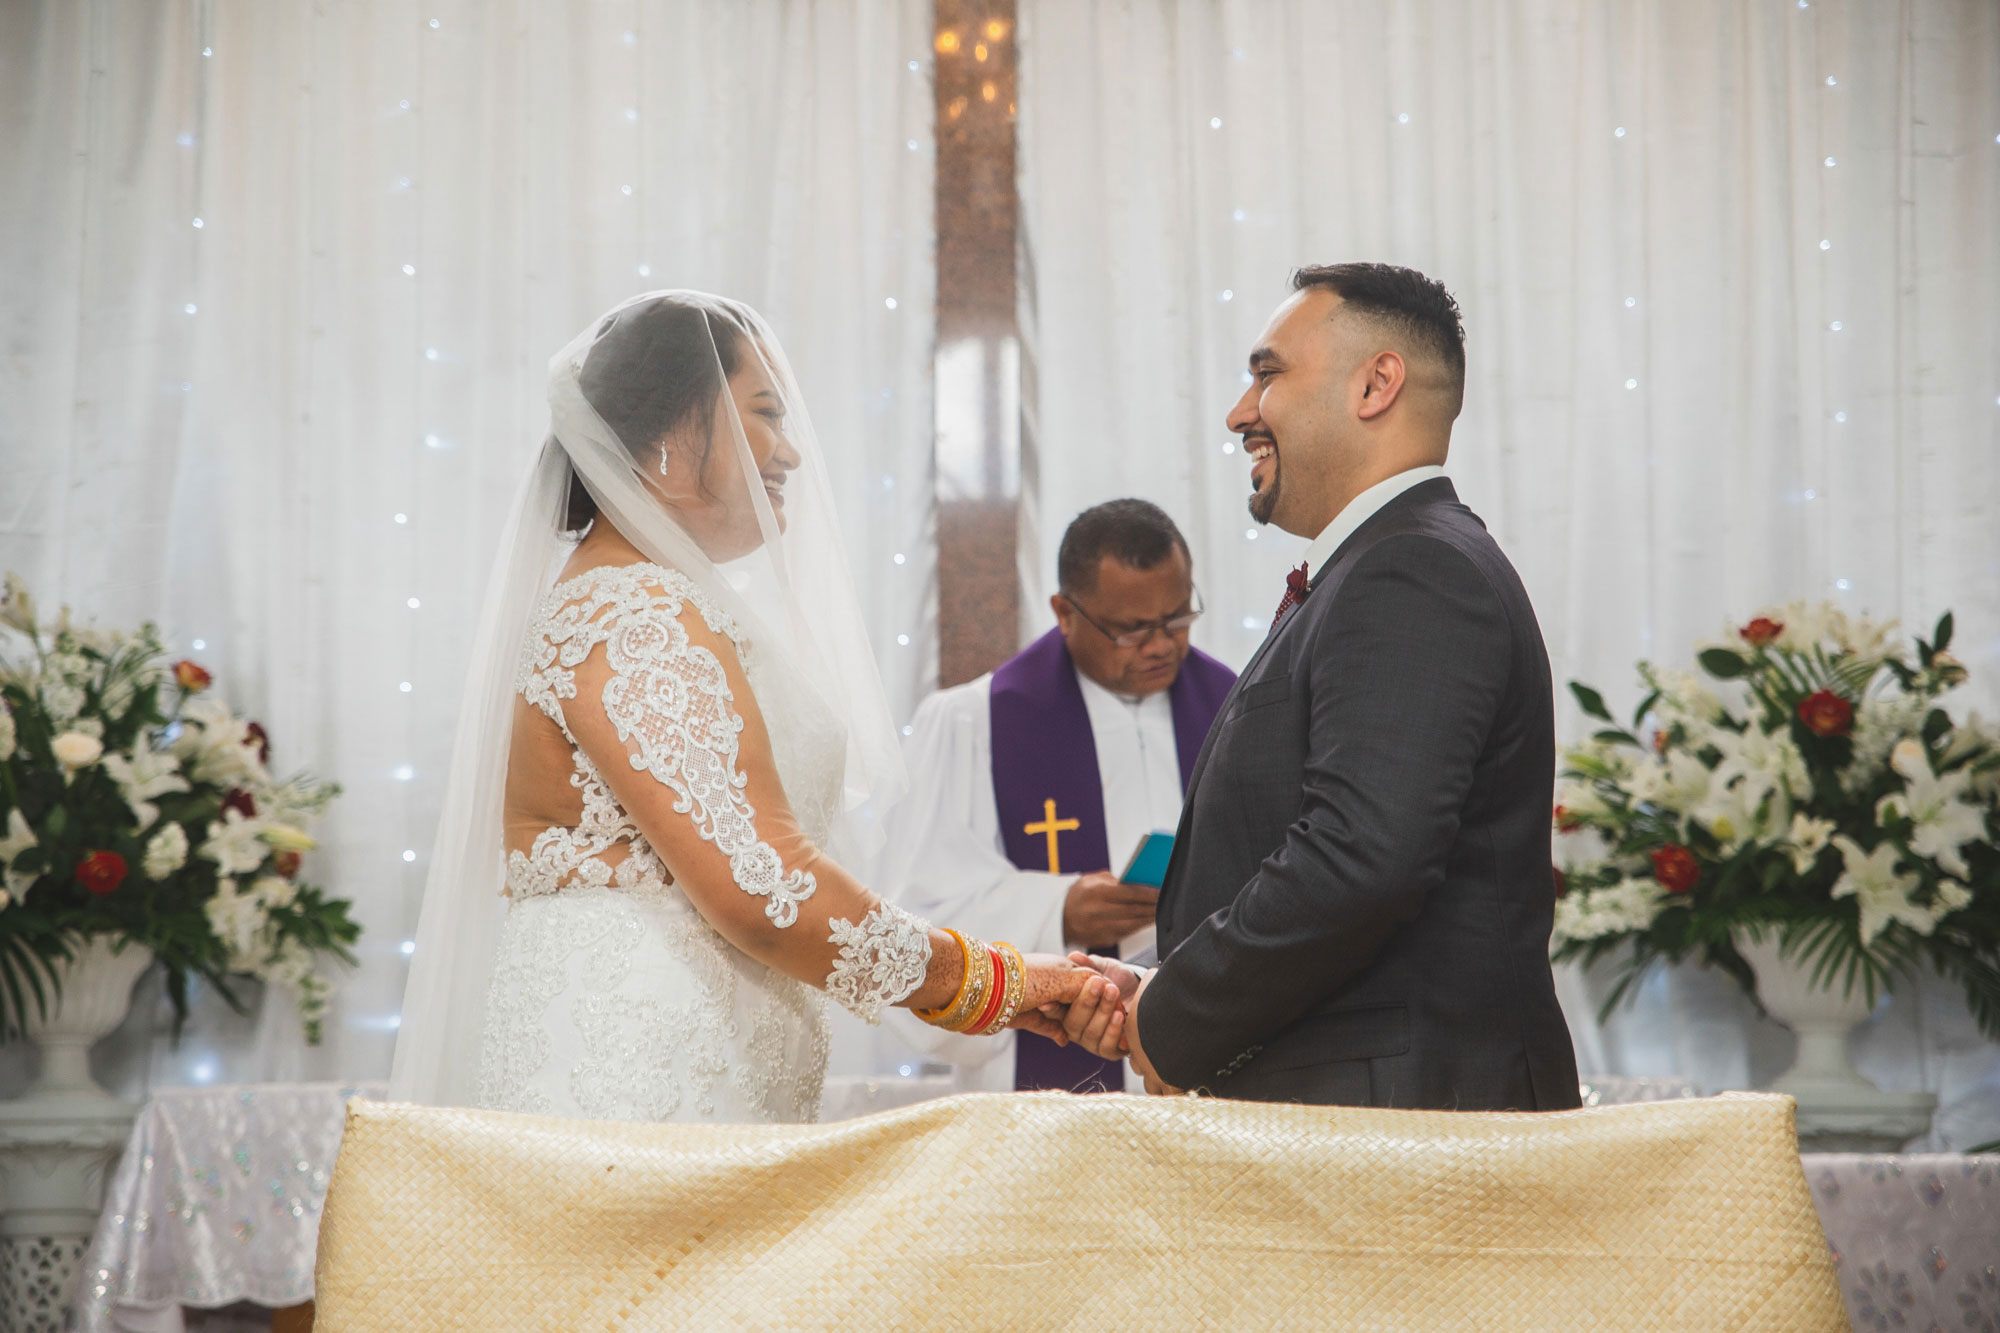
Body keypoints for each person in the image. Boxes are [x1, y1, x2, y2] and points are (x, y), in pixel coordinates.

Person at [388, 292, 1088, 1123]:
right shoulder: (632, 614)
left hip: (695, 1066)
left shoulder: (659, 600)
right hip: (637, 1084)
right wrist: (987, 980)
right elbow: (765, 885)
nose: (788, 452)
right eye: (764, 414)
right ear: (670, 440)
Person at [1062, 264, 1580, 1112]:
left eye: (1267, 374)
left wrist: (1178, 1014)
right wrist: (1156, 985)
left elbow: (1362, 856)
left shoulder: (1414, 569)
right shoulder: (1386, 564)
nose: (1239, 412)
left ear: (1376, 383)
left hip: (1402, 1126)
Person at [876, 501, 1235, 1094]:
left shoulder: (1238, 706)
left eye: (1177, 618)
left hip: (1201, 1059)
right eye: (1131, 629)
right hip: (1041, 1080)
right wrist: (1057, 912)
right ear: (1065, 613)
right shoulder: (973, 723)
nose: (1161, 646)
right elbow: (911, 921)